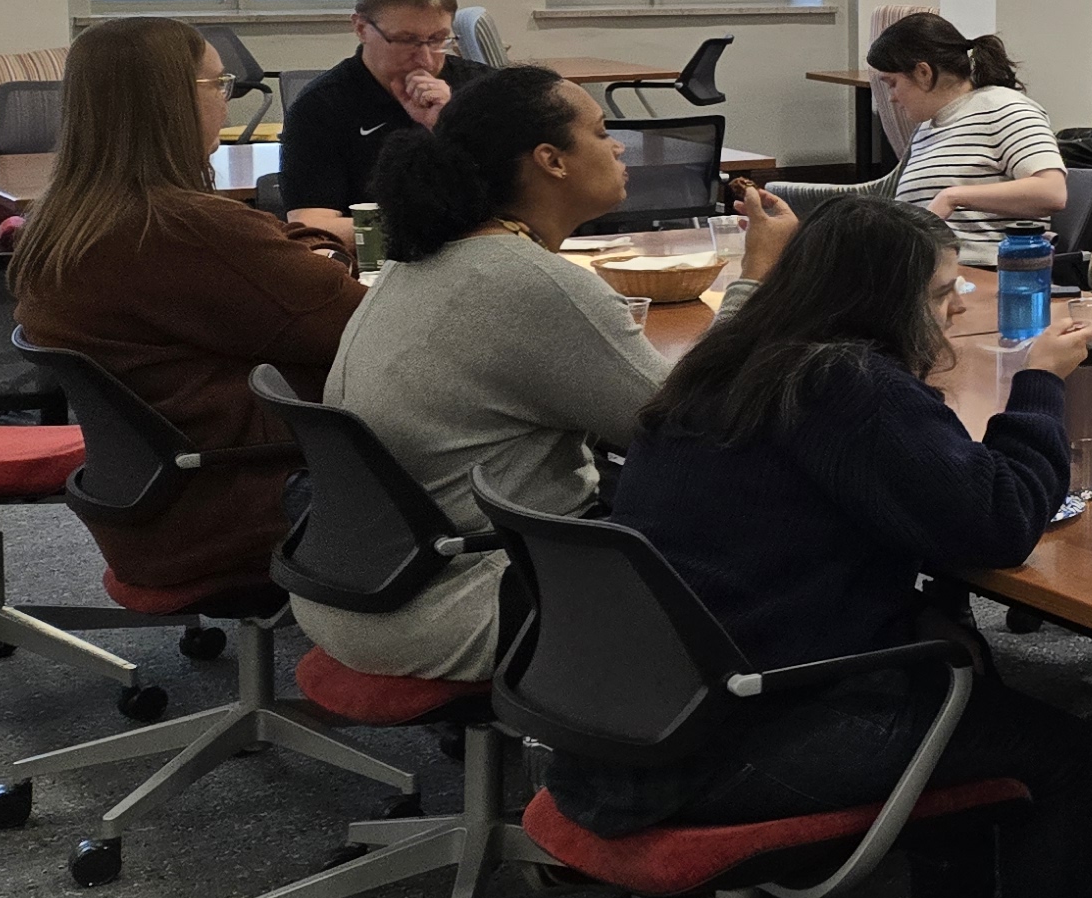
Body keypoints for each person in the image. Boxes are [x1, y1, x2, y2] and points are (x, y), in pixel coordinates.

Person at [574, 196, 1092, 898]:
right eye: (940, 296)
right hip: (747, 730)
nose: (952, 312)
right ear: (880, 301)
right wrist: (1039, 383)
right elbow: (998, 520)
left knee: (949, 643)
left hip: (646, 711)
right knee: (1054, 748)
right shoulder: (848, 387)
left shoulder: (731, 367)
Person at [308, 68, 798, 681]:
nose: (618, 145)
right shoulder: (522, 280)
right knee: (787, 538)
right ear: (552, 161)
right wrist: (757, 277)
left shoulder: (429, 257)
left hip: (368, 582)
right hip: (455, 600)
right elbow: (700, 426)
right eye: (599, 132)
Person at [7, 18, 361, 603]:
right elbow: (362, 327)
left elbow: (260, 267)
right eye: (217, 85)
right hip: (252, 496)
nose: (225, 101)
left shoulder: (65, 222)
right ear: (168, 103)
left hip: (158, 506)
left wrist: (293, 249)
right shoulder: (182, 230)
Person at [832, 11, 1066, 265]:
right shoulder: (928, 128)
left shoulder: (1003, 107)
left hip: (990, 272)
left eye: (893, 83)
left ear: (923, 73)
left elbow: (1051, 192)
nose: (892, 97)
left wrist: (953, 196)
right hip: (934, 271)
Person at [276, 0, 483, 242]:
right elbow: (312, 225)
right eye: (406, 40)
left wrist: (450, 123)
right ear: (361, 28)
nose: (424, 58)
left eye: (438, 39)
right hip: (378, 268)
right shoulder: (321, 106)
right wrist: (429, 229)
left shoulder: (481, 90)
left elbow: (522, 201)